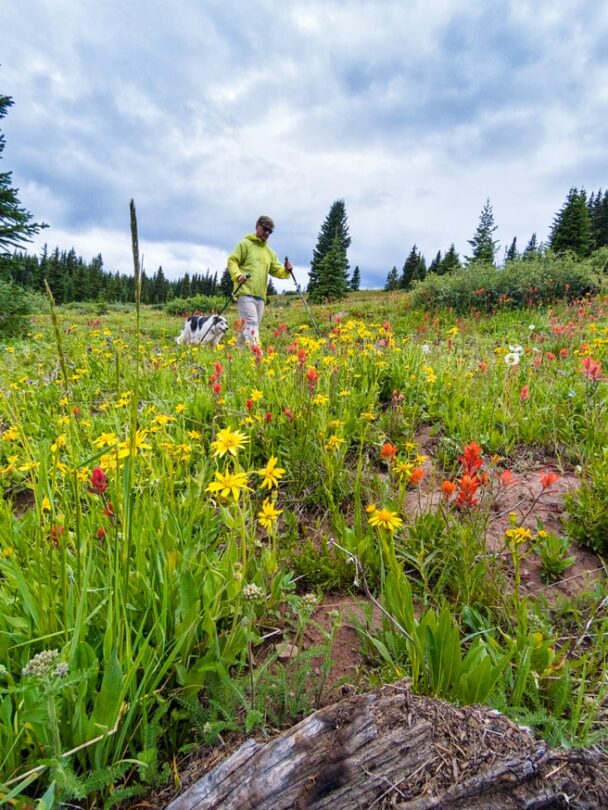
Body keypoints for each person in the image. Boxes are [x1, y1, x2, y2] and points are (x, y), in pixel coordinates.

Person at [227, 215, 293, 348]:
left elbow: (277, 270)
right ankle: (258, 357)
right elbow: (232, 260)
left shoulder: (269, 252)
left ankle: (235, 354)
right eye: (265, 229)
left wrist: (286, 270)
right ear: (257, 227)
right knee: (252, 324)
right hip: (244, 293)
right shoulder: (245, 244)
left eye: (270, 231)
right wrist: (238, 275)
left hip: (260, 296)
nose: (267, 233)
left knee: (247, 328)